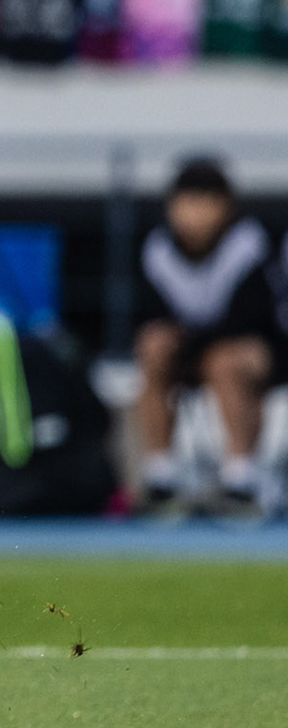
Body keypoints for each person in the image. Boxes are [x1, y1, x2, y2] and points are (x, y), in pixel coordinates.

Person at [133, 158, 280, 513]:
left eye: (205, 204)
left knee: (224, 360)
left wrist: (192, 336)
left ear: (225, 207)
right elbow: (150, 316)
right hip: (188, 349)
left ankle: (240, 476)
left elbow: (253, 320)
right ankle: (161, 473)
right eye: (186, 204)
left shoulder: (249, 246)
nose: (194, 216)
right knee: (152, 347)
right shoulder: (158, 251)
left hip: (251, 353)